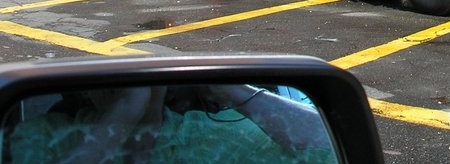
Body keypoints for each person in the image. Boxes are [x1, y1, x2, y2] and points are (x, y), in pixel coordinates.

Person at [8, 83, 337, 164]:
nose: (124, 86)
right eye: (109, 76)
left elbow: (330, 145)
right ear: (80, 90)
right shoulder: (45, 134)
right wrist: (124, 114)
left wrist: (234, 92)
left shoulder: (223, 127)